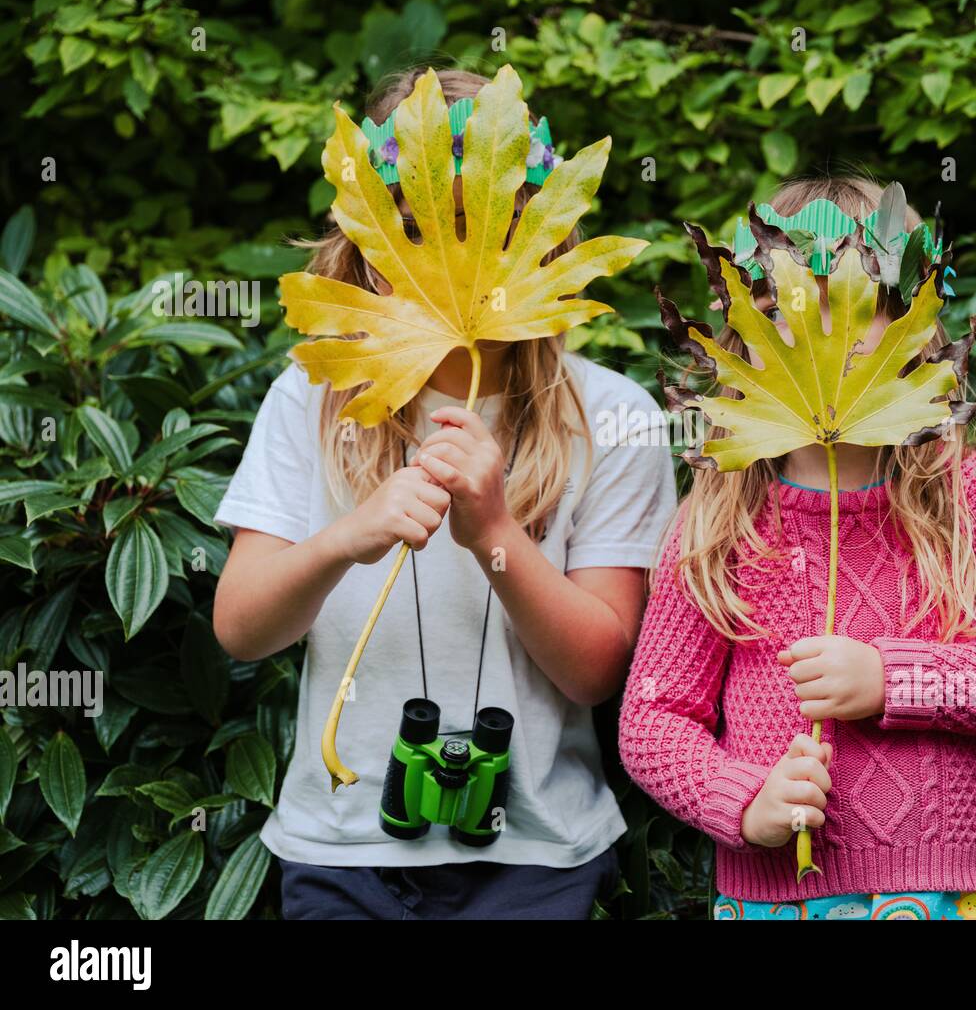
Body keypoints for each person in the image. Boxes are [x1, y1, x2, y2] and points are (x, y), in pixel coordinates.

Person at [213, 68, 675, 920]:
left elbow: (598, 669)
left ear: (544, 239)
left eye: (486, 227)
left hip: (537, 854)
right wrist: (345, 539)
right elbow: (242, 628)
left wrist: (495, 532)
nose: (448, 258)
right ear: (364, 240)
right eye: (417, 226)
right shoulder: (313, 397)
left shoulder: (616, 416)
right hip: (340, 844)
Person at [619, 175, 976, 921]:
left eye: (855, 301)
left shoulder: (968, 494)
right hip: (776, 899)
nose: (818, 329)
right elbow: (652, 717)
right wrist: (743, 803)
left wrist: (892, 680)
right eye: (784, 305)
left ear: (911, 325)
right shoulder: (716, 521)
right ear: (746, 335)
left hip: (957, 896)